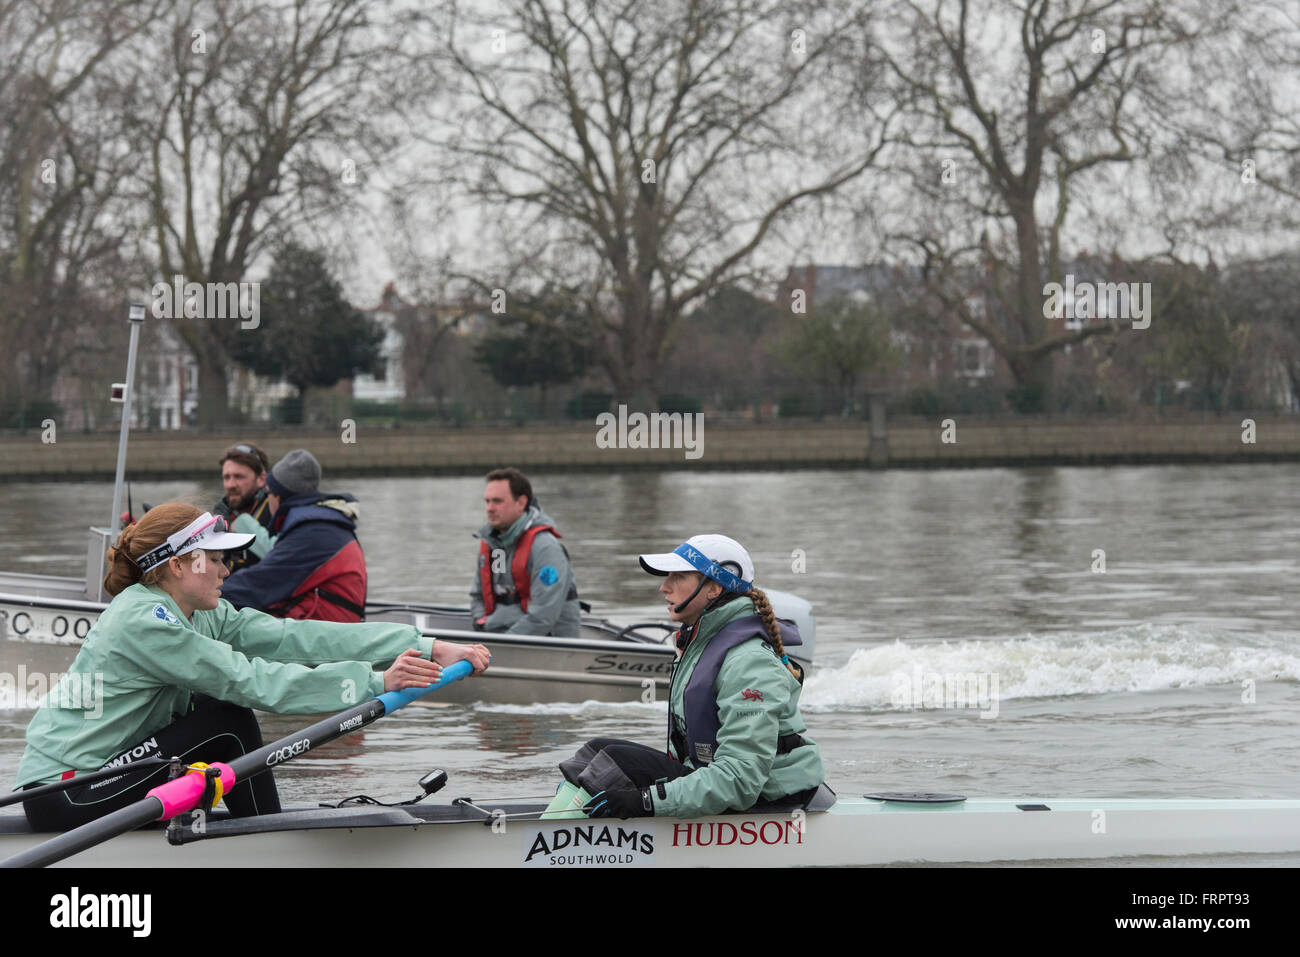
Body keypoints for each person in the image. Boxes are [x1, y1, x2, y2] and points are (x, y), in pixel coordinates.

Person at [13, 503, 490, 832]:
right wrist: (375, 683)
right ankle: (264, 841)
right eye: (217, 560)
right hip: (68, 791)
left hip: (102, 777)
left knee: (219, 715)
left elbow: (295, 637)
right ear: (179, 565)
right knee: (228, 718)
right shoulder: (146, 620)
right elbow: (252, 680)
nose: (227, 571)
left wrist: (423, 644)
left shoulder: (199, 612)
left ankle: (254, 829)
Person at [543, 534, 823, 820]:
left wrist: (646, 801)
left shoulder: (749, 663)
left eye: (677, 577)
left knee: (616, 761)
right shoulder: (699, 644)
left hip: (774, 798)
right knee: (598, 751)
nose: (664, 587)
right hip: (726, 782)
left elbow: (741, 781)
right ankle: (555, 821)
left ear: (714, 587)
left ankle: (547, 839)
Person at [219, 449, 367, 622]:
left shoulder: (314, 532)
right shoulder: (320, 522)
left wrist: (207, 596)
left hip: (328, 634)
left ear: (278, 497)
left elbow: (261, 582)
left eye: (269, 494)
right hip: (325, 622)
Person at [470, 467, 581, 638]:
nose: (490, 508)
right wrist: (482, 626)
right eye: (487, 501)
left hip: (546, 643)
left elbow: (543, 616)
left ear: (521, 503)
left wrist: (504, 643)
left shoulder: (546, 549)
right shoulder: (494, 545)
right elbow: (478, 597)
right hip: (499, 636)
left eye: (497, 501)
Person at [213, 442, 275, 573]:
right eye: (226, 477)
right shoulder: (219, 517)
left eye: (238, 477)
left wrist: (243, 524)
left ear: (261, 479)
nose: (231, 484)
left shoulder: (276, 513)